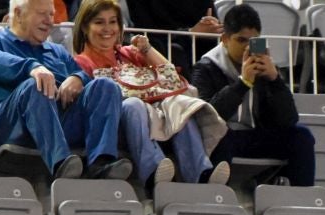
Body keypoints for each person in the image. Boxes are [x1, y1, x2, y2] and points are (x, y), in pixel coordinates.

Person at [73, 0, 227, 187]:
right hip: (113, 126)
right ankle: (154, 172)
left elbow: (172, 79)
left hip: (153, 120)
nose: (108, 29)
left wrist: (147, 49)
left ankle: (201, 173)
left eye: (112, 21)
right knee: (133, 105)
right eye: (99, 22)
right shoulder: (81, 63)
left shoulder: (129, 52)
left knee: (178, 104)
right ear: (84, 28)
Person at [0, 0, 129, 182]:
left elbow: (82, 75)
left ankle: (101, 163)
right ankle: (60, 163)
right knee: (35, 85)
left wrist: (78, 78)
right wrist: (31, 67)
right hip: (7, 131)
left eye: (52, 14)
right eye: (41, 13)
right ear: (19, 14)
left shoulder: (57, 51)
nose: (50, 21)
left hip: (57, 127)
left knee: (105, 85)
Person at [189, 5, 315, 190]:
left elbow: (288, 119)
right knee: (222, 139)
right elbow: (208, 117)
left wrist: (275, 81)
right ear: (224, 39)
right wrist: (243, 83)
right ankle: (214, 194)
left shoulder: (264, 68)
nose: (246, 48)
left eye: (253, 41)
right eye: (241, 40)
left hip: (254, 134)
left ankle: (303, 198)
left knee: (301, 136)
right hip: (223, 137)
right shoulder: (205, 68)